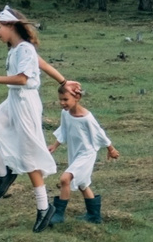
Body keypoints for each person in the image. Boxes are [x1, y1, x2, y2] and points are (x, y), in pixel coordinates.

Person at [0, 7, 74, 229]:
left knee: (29, 159)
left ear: (11, 26)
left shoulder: (24, 49)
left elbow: (24, 79)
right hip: (12, 100)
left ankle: (44, 209)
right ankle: (4, 174)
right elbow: (43, 64)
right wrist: (64, 82)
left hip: (26, 103)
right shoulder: (17, 49)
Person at [46, 79, 118, 226]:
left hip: (87, 154)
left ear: (77, 98)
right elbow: (64, 130)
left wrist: (111, 149)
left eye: (66, 99)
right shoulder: (65, 114)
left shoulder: (87, 118)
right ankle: (94, 215)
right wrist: (55, 146)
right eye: (60, 100)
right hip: (75, 152)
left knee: (65, 179)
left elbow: (99, 134)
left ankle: (59, 214)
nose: (62, 103)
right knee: (82, 184)